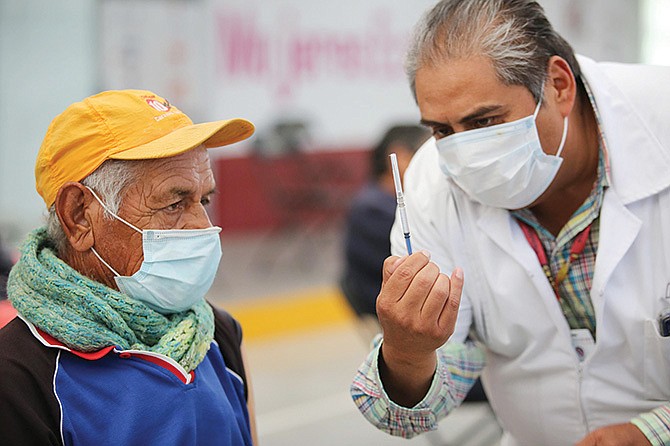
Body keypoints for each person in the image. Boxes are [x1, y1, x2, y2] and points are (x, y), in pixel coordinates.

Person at [350, 1, 670, 445]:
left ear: (558, 85)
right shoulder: (433, 185)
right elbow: (406, 419)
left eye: (485, 121)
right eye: (442, 131)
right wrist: (408, 353)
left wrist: (652, 433)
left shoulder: (662, 126)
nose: (465, 153)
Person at [0, 89, 258, 445]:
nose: (203, 225)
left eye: (205, 200)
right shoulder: (18, 377)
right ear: (79, 217)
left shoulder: (217, 336)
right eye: (174, 204)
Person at [340, 124, 430, 319]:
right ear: (400, 157)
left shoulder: (387, 202)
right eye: (427, 156)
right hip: (389, 304)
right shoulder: (373, 210)